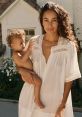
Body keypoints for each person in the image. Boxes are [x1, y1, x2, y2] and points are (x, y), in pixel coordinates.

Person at [18, 2, 81, 117]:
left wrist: (62, 104)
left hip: (55, 103)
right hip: (30, 100)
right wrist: (21, 71)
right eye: (46, 20)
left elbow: (69, 78)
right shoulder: (34, 42)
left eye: (54, 20)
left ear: (60, 21)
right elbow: (20, 63)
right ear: (41, 22)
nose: (49, 24)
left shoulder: (68, 46)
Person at [6, 29, 45, 108]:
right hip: (27, 73)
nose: (23, 44)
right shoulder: (15, 54)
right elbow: (22, 61)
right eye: (21, 43)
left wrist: (28, 49)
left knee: (38, 82)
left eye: (24, 41)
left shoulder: (21, 50)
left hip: (29, 71)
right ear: (12, 45)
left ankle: (36, 98)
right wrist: (29, 49)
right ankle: (37, 99)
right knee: (38, 82)